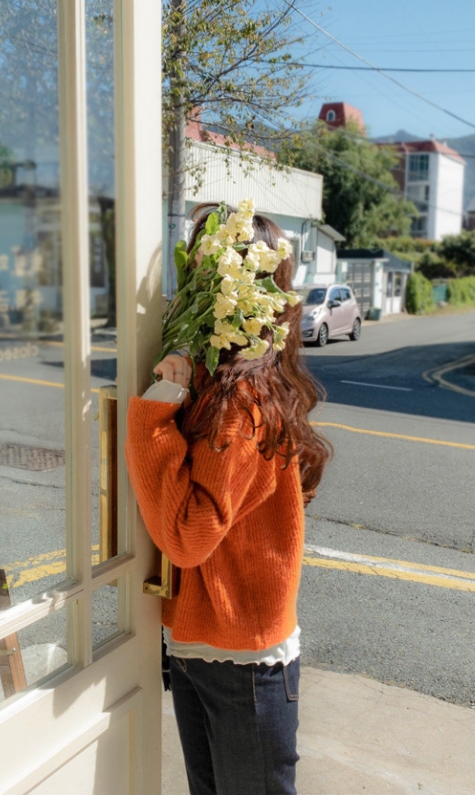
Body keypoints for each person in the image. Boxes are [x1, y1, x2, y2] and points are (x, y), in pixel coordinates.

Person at [125, 207, 332, 795]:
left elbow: (188, 537)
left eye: (204, 271)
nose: (188, 286)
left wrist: (155, 415)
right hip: (207, 645)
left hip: (241, 660)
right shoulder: (223, 383)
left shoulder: (242, 402)